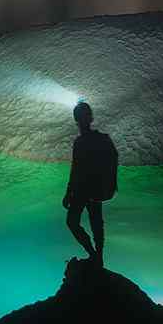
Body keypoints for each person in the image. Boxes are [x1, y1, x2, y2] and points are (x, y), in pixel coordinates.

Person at [64, 99, 118, 263]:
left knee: (86, 223)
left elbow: (112, 160)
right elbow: (75, 168)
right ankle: (95, 255)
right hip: (88, 189)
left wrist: (109, 186)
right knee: (88, 223)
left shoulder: (92, 140)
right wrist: (68, 192)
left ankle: (96, 255)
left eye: (81, 117)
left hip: (90, 189)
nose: (81, 121)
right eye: (80, 117)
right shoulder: (89, 141)